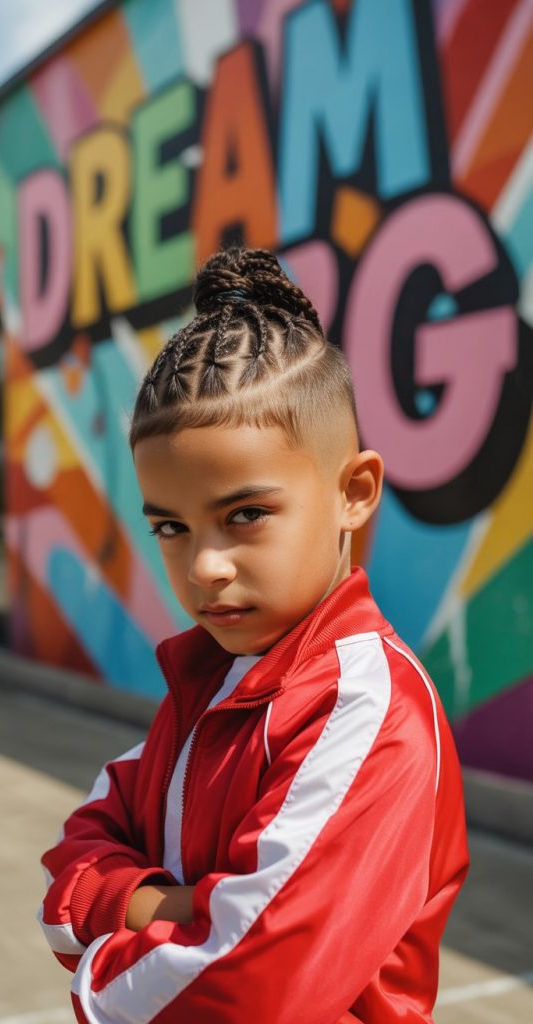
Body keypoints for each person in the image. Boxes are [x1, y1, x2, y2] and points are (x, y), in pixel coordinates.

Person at [38, 247, 469, 1023]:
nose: (204, 566)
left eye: (245, 515)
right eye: (170, 526)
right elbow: (82, 846)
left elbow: (244, 992)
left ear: (354, 493)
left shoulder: (365, 709)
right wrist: (167, 910)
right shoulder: (210, 680)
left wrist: (99, 957)